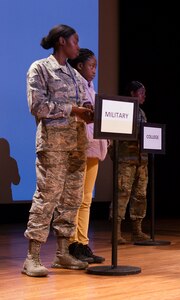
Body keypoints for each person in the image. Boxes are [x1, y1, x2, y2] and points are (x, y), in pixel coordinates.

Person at [22, 24, 94, 277]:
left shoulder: (76, 75)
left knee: (72, 200)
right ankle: (31, 257)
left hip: (76, 144)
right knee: (47, 198)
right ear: (62, 41)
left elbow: (81, 105)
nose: (78, 46)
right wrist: (73, 110)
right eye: (75, 41)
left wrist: (87, 110)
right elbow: (38, 106)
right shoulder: (40, 68)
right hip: (53, 144)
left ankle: (63, 253)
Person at [67, 48, 108, 264]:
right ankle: (72, 244)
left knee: (86, 200)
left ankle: (82, 243)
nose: (94, 71)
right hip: (80, 149)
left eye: (96, 67)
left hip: (94, 149)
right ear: (80, 66)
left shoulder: (92, 88)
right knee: (76, 199)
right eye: (91, 66)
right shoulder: (74, 87)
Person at [109, 81, 150, 244]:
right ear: (132, 93)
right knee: (122, 193)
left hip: (142, 160)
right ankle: (116, 232)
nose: (144, 96)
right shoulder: (121, 110)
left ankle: (137, 231)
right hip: (126, 159)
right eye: (141, 92)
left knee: (140, 195)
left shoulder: (142, 112)